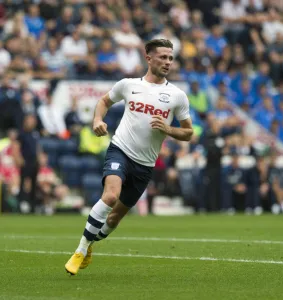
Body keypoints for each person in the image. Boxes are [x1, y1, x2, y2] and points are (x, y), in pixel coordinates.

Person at [65, 39, 193, 275]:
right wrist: (97, 120)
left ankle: (91, 242)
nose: (167, 62)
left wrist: (168, 129)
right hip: (120, 150)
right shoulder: (128, 85)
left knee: (113, 220)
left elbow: (188, 132)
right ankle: (80, 251)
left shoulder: (177, 96)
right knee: (111, 195)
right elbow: (104, 101)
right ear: (148, 58)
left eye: (170, 58)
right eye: (163, 57)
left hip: (145, 165)